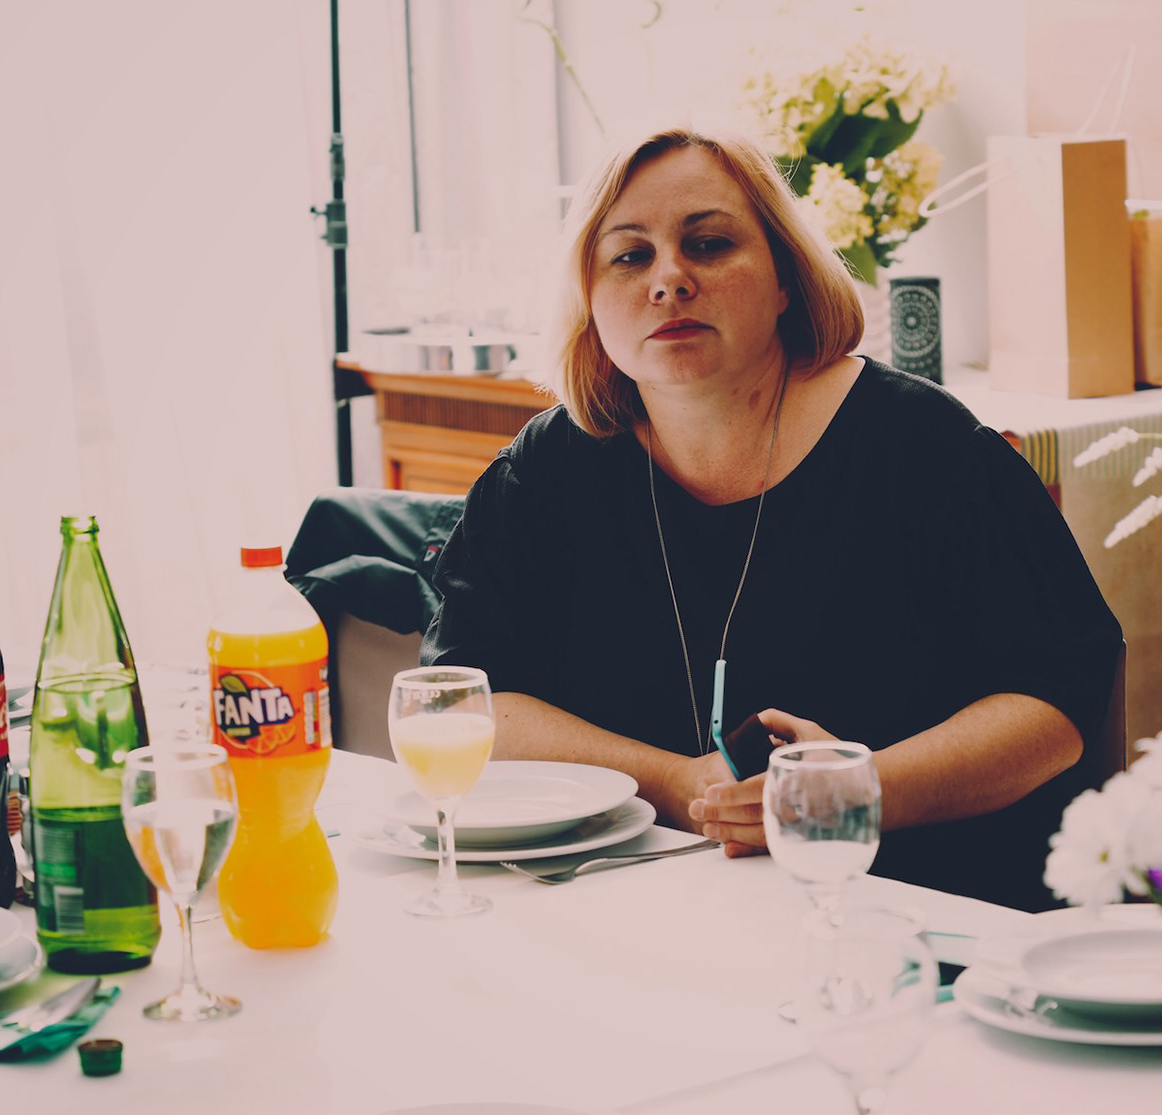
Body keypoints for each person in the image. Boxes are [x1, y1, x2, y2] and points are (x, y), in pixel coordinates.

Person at [423, 124, 1121, 910]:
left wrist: (859, 791)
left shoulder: (926, 448)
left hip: (910, 908)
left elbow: (1056, 702)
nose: (669, 280)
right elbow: (464, 699)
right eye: (629, 256)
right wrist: (675, 782)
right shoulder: (548, 468)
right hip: (629, 906)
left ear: (787, 276)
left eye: (709, 244)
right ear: (588, 298)